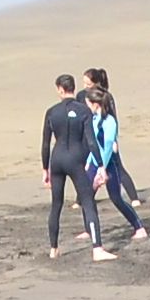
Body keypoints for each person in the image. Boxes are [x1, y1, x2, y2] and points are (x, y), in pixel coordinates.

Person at [38, 73, 110, 257]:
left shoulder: (51, 112)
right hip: (77, 159)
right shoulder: (83, 110)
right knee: (87, 202)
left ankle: (53, 249)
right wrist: (100, 165)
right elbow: (91, 141)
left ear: (60, 90)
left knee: (56, 205)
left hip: (57, 159)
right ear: (73, 88)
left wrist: (45, 169)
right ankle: (97, 249)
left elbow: (45, 144)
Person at [89, 68, 149, 235]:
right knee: (87, 197)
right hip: (95, 162)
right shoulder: (93, 120)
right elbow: (92, 144)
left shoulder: (109, 122)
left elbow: (107, 146)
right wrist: (89, 164)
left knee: (116, 198)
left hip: (109, 164)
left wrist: (102, 168)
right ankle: (90, 230)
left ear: (96, 104)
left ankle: (139, 227)